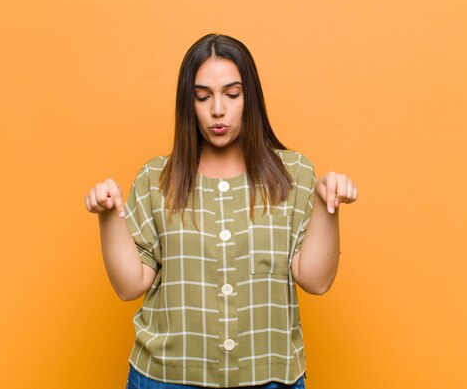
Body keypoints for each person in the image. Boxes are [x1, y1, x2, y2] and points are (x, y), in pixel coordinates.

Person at [84, 34, 358, 389]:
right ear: (189, 103)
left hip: (269, 377)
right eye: (203, 97)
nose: (217, 109)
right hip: (165, 379)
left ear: (250, 99)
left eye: (231, 94)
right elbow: (129, 285)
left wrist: (327, 205)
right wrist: (108, 214)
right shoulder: (157, 178)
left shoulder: (294, 174)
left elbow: (316, 280)